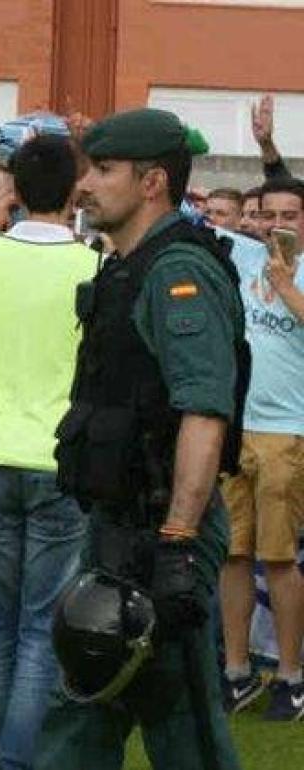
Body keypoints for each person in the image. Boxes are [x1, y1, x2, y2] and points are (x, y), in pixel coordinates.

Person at [35, 108, 244, 770]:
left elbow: (205, 411)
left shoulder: (178, 272)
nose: (85, 184)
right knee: (86, 698)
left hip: (161, 536)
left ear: (152, 182)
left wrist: (178, 543)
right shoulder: (126, 265)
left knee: (182, 723)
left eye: (104, 170)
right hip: (117, 527)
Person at [0, 134, 96, 770]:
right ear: (74, 190)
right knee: (40, 628)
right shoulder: (94, 263)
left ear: (14, 187)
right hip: (56, 459)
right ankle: (12, 764)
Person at [219, 176, 304, 720]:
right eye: (269, 213)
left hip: (286, 433)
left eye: (290, 215)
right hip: (234, 426)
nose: (277, 223)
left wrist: (287, 285)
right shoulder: (244, 253)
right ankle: (236, 672)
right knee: (232, 554)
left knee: (278, 559)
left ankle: (291, 677)